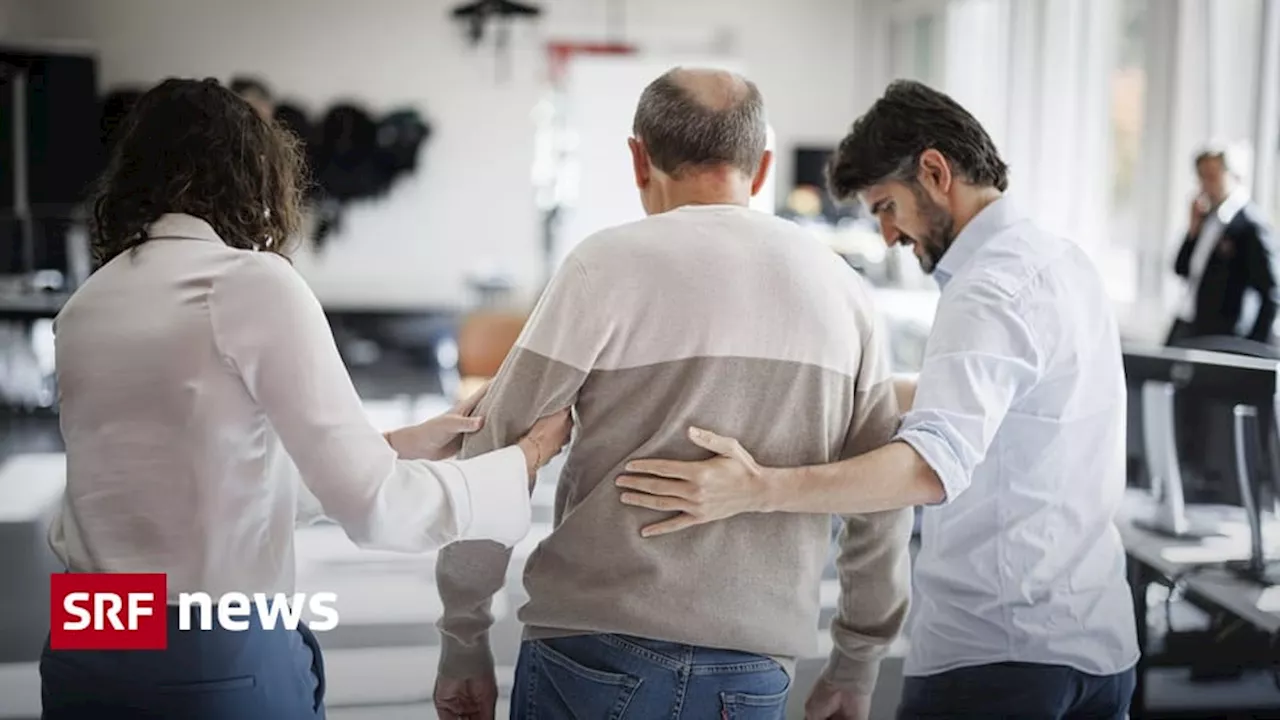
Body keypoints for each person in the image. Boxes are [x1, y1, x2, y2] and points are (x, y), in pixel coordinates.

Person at [41, 77, 571, 720]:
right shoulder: (248, 282)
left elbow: (204, 482)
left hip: (88, 631)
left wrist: (399, 446)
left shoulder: (87, 303)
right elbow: (375, 508)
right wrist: (522, 463)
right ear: (252, 174)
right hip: (209, 645)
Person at [618, 79, 1140, 719]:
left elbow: (926, 467)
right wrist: (834, 390)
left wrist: (758, 488)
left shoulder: (986, 288)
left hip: (1002, 656)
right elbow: (1000, 408)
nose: (889, 235)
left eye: (888, 206)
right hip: (1099, 646)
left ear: (934, 171)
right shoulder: (1062, 262)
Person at [433, 68, 913, 720]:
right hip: (754, 664)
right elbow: (880, 499)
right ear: (764, 164)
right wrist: (856, 664)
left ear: (639, 157)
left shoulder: (601, 266)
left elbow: (495, 449)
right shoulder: (847, 294)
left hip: (593, 643)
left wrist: (464, 635)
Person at [1168, 143, 1279, 346]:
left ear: (1232, 175)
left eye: (1212, 176)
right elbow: (1181, 269)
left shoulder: (1250, 225)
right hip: (1192, 322)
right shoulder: (1207, 217)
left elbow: (1272, 292)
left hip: (1225, 334)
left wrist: (1252, 347)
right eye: (1201, 177)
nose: (1206, 184)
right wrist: (1192, 231)